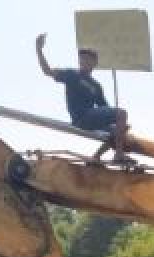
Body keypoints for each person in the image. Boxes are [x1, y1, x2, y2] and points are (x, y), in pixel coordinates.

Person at [35, 33, 129, 163]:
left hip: (92, 118)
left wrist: (120, 127)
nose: (84, 62)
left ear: (95, 63)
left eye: (88, 59)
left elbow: (104, 108)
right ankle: (118, 155)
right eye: (82, 59)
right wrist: (39, 49)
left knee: (123, 127)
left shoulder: (96, 86)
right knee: (122, 114)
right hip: (81, 117)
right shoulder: (72, 74)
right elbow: (47, 71)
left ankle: (96, 156)